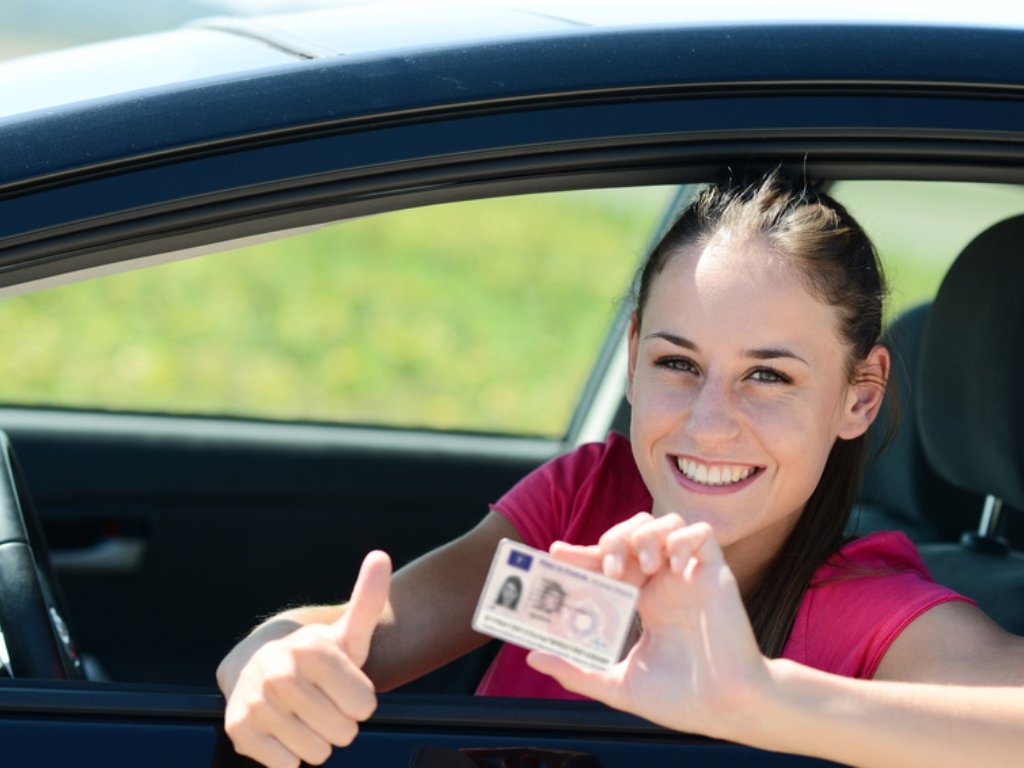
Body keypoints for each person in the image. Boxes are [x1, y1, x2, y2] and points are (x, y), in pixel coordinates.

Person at [217, 172, 1024, 768]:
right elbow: (373, 637)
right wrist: (269, 656)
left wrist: (755, 696)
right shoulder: (587, 509)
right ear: (634, 359)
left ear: (860, 395)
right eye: (679, 363)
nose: (709, 424)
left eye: (769, 376)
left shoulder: (870, 614)